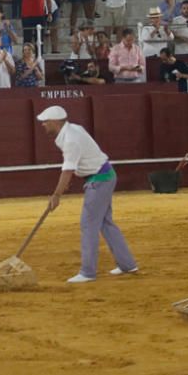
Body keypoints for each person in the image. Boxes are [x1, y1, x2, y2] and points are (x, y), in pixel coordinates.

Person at [40, 105, 138, 283]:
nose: (43, 125)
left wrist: (56, 195)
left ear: (55, 122)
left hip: (98, 180)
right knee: (105, 223)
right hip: (103, 176)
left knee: (88, 224)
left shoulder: (70, 139)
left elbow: (68, 170)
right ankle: (127, 264)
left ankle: (88, 272)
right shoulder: (73, 129)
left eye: (45, 122)